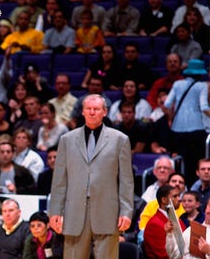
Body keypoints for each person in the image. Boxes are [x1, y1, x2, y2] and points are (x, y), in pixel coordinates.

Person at [49, 94, 133, 258]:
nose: (92, 112)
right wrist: (55, 212)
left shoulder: (120, 140)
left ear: (104, 112)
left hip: (108, 209)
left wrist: (126, 211)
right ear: (83, 112)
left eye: (96, 109)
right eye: (88, 109)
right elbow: (59, 181)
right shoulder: (67, 139)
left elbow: (126, 181)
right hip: (74, 209)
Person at [164, 59, 210, 185]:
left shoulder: (177, 84)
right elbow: (204, 107)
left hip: (177, 130)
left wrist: (170, 118)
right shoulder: (201, 86)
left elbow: (167, 103)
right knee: (195, 162)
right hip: (196, 130)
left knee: (180, 161)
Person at [143, 184, 186, 258]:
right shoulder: (153, 225)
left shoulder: (177, 219)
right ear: (164, 200)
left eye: (179, 196)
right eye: (175, 196)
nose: (179, 199)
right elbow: (164, 255)